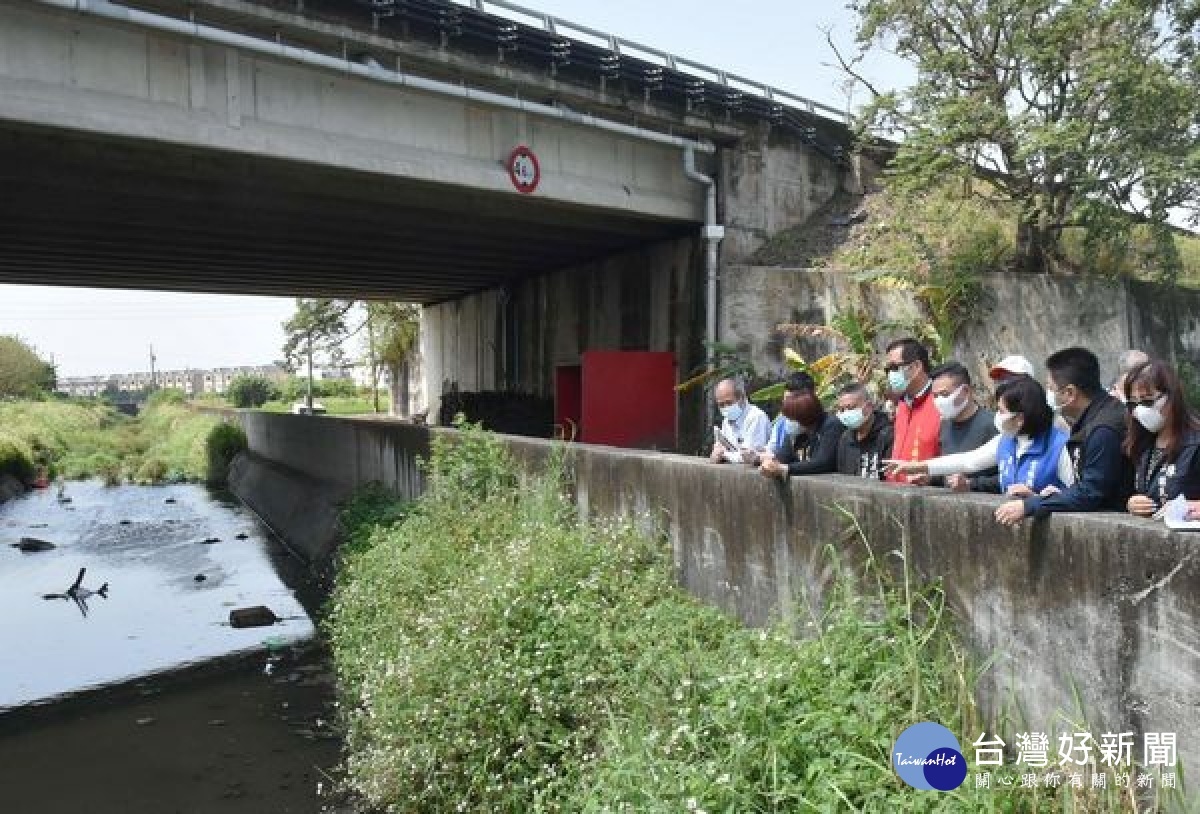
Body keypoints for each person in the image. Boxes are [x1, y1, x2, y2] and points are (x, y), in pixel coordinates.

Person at [993, 347, 1131, 525]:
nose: (1048, 395)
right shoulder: (1093, 418)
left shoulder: (1102, 429)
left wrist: (1031, 505)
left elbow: (1091, 492)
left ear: (1070, 393)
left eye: (1051, 388)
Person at [887, 376, 1074, 500]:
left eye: (1001, 411)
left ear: (1020, 418)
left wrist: (1037, 498)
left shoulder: (1060, 446)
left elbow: (1079, 495)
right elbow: (969, 461)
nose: (997, 417)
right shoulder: (1007, 440)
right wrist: (916, 466)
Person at [1121, 359, 1200, 516]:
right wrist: (1132, 503)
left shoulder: (1195, 444)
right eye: (1133, 404)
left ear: (1171, 398)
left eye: (1147, 401)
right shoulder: (1141, 444)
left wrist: (1194, 507)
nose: (1140, 410)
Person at [929, 362, 1000, 493]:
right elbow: (946, 475)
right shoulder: (944, 425)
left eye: (944, 395)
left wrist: (971, 484)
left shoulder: (993, 425)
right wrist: (928, 478)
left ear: (965, 391)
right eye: (935, 396)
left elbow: (1007, 478)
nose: (939, 401)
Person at [760, 372, 841, 478]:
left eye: (791, 419)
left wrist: (787, 468)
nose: (788, 423)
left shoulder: (831, 425)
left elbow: (823, 462)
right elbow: (782, 456)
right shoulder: (795, 434)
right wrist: (768, 462)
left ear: (804, 418)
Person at [883, 338, 940, 484]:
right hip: (896, 493)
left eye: (895, 368)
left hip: (930, 496)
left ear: (916, 366)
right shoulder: (902, 404)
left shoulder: (941, 402)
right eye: (887, 370)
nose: (890, 375)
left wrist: (932, 479)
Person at [833, 382, 894, 479]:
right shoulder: (845, 439)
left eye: (850, 408)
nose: (846, 413)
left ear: (868, 407)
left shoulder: (888, 435)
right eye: (842, 409)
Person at [709, 377, 771, 464]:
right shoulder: (726, 421)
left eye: (729, 403)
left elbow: (749, 457)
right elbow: (723, 451)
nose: (725, 408)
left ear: (741, 398)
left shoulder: (756, 417)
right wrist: (716, 453)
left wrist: (724, 455)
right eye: (721, 405)